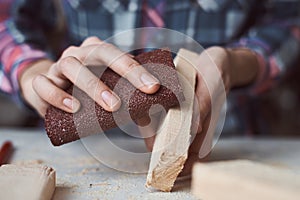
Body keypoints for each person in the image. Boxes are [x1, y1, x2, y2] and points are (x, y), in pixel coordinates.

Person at [1, 0, 300, 174]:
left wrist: (240, 63)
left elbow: (289, 20)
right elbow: (12, 22)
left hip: (232, 145)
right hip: (85, 158)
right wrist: (33, 73)